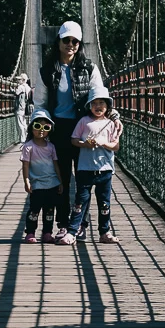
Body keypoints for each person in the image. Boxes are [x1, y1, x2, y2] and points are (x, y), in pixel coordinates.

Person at [33, 20, 106, 242]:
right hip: (58, 130)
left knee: (84, 180)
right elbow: (40, 105)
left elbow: (99, 98)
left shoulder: (90, 68)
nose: (71, 45)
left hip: (84, 128)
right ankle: (64, 224)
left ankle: (80, 224)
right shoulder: (46, 71)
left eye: (75, 41)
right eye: (67, 40)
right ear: (59, 42)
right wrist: (40, 131)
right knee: (61, 179)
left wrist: (113, 116)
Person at [58, 86, 121, 245]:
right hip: (85, 168)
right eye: (94, 103)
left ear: (108, 106)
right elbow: (74, 140)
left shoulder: (110, 123)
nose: (98, 107)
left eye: (102, 103)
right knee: (80, 201)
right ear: (89, 106)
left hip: (105, 169)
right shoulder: (83, 121)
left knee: (104, 202)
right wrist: (84, 144)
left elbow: (116, 146)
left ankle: (104, 232)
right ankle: (72, 232)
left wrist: (104, 143)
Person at [21, 108, 63, 244]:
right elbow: (25, 165)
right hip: (37, 183)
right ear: (31, 127)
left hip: (52, 183)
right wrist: (26, 181)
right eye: (37, 126)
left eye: (46, 127)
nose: (41, 130)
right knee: (34, 209)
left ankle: (47, 233)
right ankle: (30, 232)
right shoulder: (28, 147)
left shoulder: (51, 147)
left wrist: (60, 181)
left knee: (50, 210)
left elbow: (56, 165)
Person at [14, 73, 32, 144]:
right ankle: (26, 137)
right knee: (24, 123)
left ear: (23, 80)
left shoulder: (21, 87)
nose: (18, 81)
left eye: (19, 79)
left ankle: (22, 139)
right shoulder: (28, 87)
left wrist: (12, 89)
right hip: (25, 108)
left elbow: (16, 92)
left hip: (19, 108)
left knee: (20, 124)